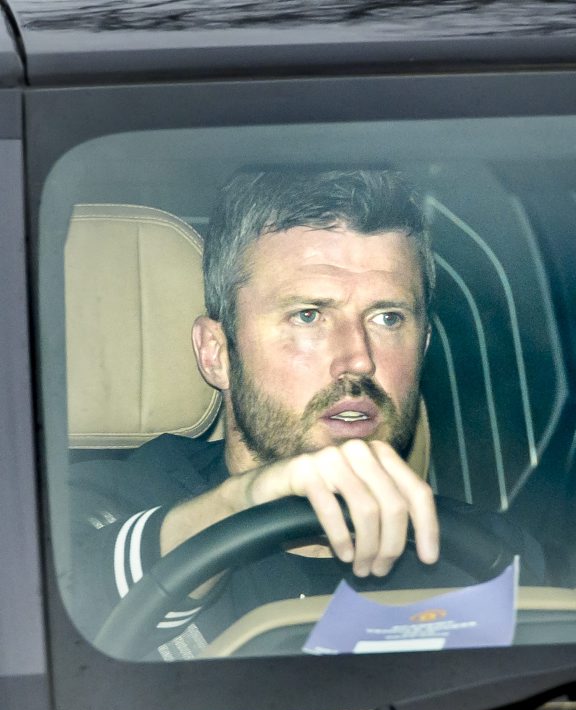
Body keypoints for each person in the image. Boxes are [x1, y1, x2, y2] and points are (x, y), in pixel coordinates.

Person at [69, 169, 545, 660]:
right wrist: (239, 507)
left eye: (388, 318)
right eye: (308, 315)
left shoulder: (487, 556)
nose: (358, 359)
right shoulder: (106, 505)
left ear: (423, 347)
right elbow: (56, 620)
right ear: (217, 353)